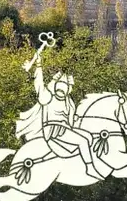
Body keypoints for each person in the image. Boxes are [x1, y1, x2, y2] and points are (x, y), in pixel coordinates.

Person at [20, 34, 104, 178]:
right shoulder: (48, 97)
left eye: (65, 86)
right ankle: (90, 169)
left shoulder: (69, 102)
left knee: (89, 137)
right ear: (55, 85)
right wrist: (38, 64)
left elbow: (72, 122)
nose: (62, 89)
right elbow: (39, 83)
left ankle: (79, 162)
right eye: (60, 85)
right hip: (52, 131)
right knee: (83, 141)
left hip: (64, 130)